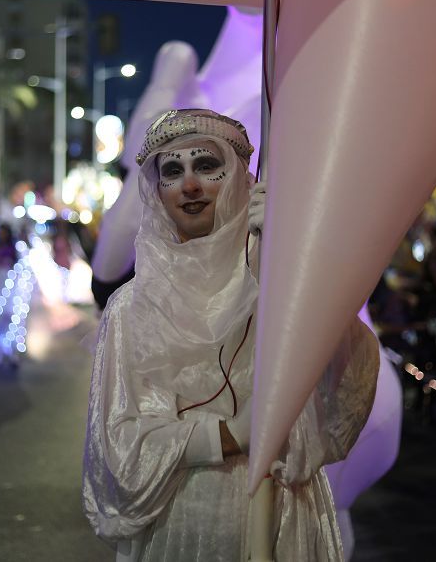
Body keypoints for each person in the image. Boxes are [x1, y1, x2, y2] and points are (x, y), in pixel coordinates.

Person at [83, 109, 379, 561]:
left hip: (283, 518)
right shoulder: (132, 306)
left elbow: (346, 382)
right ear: (157, 190)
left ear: (242, 178)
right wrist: (229, 436)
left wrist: (296, 260)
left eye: (206, 166)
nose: (190, 186)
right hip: (182, 527)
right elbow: (118, 447)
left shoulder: (281, 280)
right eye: (172, 171)